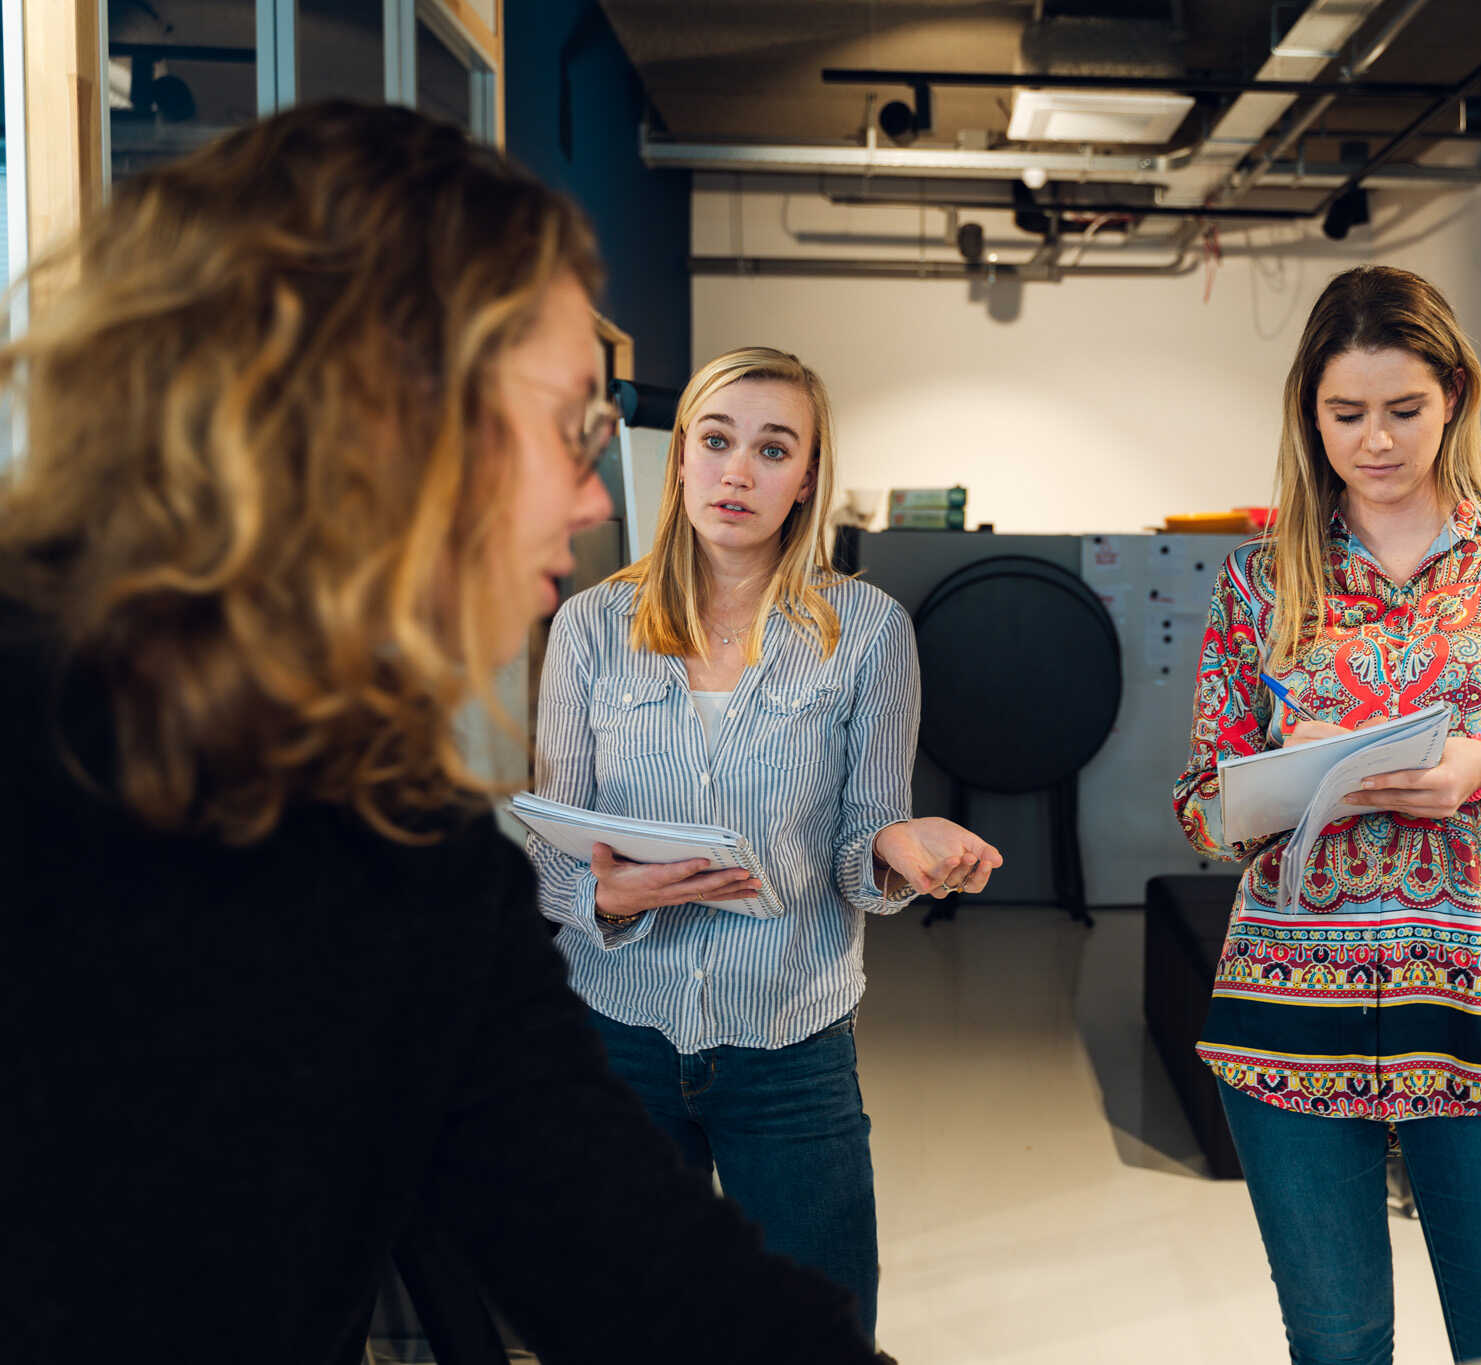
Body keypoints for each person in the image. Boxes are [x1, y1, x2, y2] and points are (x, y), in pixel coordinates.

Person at [0, 102, 883, 1364]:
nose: (593, 499)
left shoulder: (406, 857)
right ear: (381, 410)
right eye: (574, 426)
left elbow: (651, 1280)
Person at [1174, 265, 1481, 1365]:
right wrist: (1275, 788)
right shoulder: (1259, 581)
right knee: (1335, 1348)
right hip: (1286, 1008)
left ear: (1454, 397)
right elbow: (1199, 809)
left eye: (1402, 411)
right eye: (1344, 415)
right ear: (1308, 413)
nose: (1374, 441)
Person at [527, 345, 1000, 1341]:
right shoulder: (588, 628)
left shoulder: (868, 633)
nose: (738, 471)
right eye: (716, 441)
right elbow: (548, 844)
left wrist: (900, 851)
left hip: (789, 1041)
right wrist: (608, 898)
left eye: (772, 449)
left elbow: (863, 830)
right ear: (680, 461)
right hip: (616, 1038)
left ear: (806, 480)